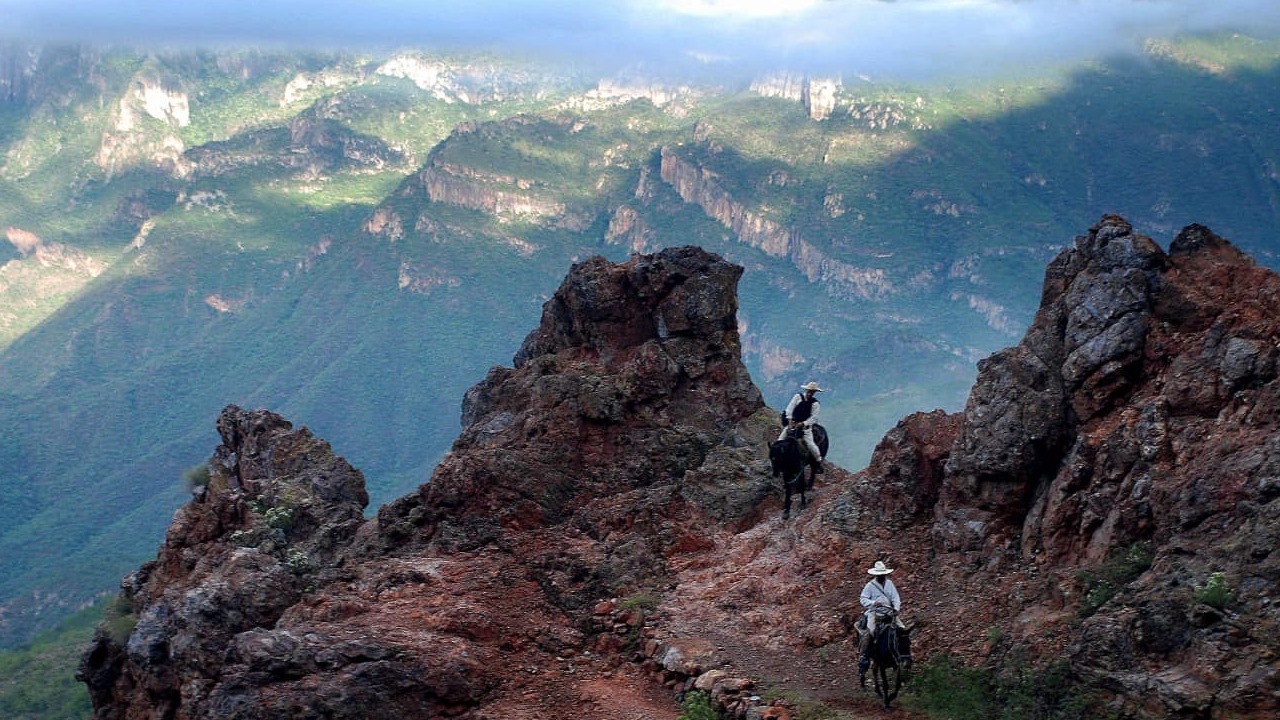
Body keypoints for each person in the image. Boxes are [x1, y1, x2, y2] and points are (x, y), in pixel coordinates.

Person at [857, 560, 912, 682]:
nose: (882, 576)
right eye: (880, 574)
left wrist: (896, 609)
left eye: (883, 574)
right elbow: (863, 599)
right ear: (876, 575)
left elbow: (896, 598)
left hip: (889, 613)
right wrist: (873, 603)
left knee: (903, 631)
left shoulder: (890, 584)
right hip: (875, 614)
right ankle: (864, 657)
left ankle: (905, 656)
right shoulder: (870, 586)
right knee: (870, 633)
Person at [778, 381, 825, 474]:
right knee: (779, 441)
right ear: (806, 390)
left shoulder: (815, 404)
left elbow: (814, 418)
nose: (810, 393)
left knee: (811, 444)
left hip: (805, 429)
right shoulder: (797, 397)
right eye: (809, 391)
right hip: (792, 425)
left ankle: (818, 461)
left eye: (812, 392)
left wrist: (804, 423)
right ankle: (777, 462)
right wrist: (790, 421)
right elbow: (789, 409)